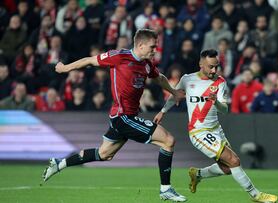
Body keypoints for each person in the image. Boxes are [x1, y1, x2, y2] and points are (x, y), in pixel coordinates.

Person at [42, 29, 186, 202]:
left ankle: (59, 164)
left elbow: (159, 78)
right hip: (123, 116)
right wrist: (65, 68)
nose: (155, 50)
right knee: (168, 141)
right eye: (152, 47)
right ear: (140, 45)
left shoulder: (146, 64)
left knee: (104, 154)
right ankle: (166, 189)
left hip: (124, 117)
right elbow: (89, 60)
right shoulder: (119, 57)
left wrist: (173, 91)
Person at [153, 49, 278, 203]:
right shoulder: (187, 79)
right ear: (201, 64)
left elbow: (225, 109)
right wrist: (163, 111)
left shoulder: (220, 82)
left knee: (227, 168)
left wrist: (216, 102)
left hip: (216, 130)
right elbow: (175, 96)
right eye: (210, 66)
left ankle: (197, 174)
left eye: (216, 66)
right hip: (198, 132)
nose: (214, 70)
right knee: (234, 161)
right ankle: (256, 195)